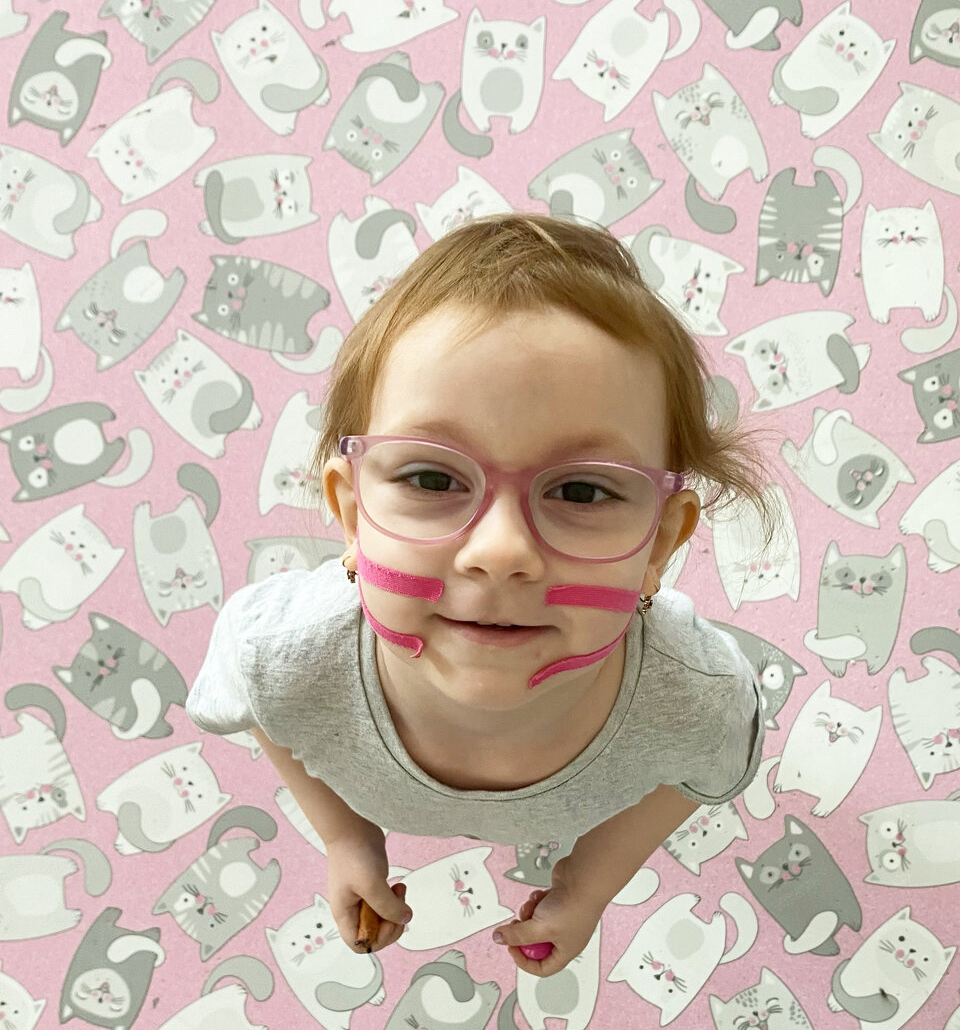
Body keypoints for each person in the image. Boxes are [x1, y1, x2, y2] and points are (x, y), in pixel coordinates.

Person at [185, 212, 784, 978]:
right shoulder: (280, 654)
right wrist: (344, 836)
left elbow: (706, 767)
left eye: (581, 491)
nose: (501, 552)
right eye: (432, 478)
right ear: (352, 514)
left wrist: (589, 884)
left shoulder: (697, 695)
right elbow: (254, 696)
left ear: (661, 542)